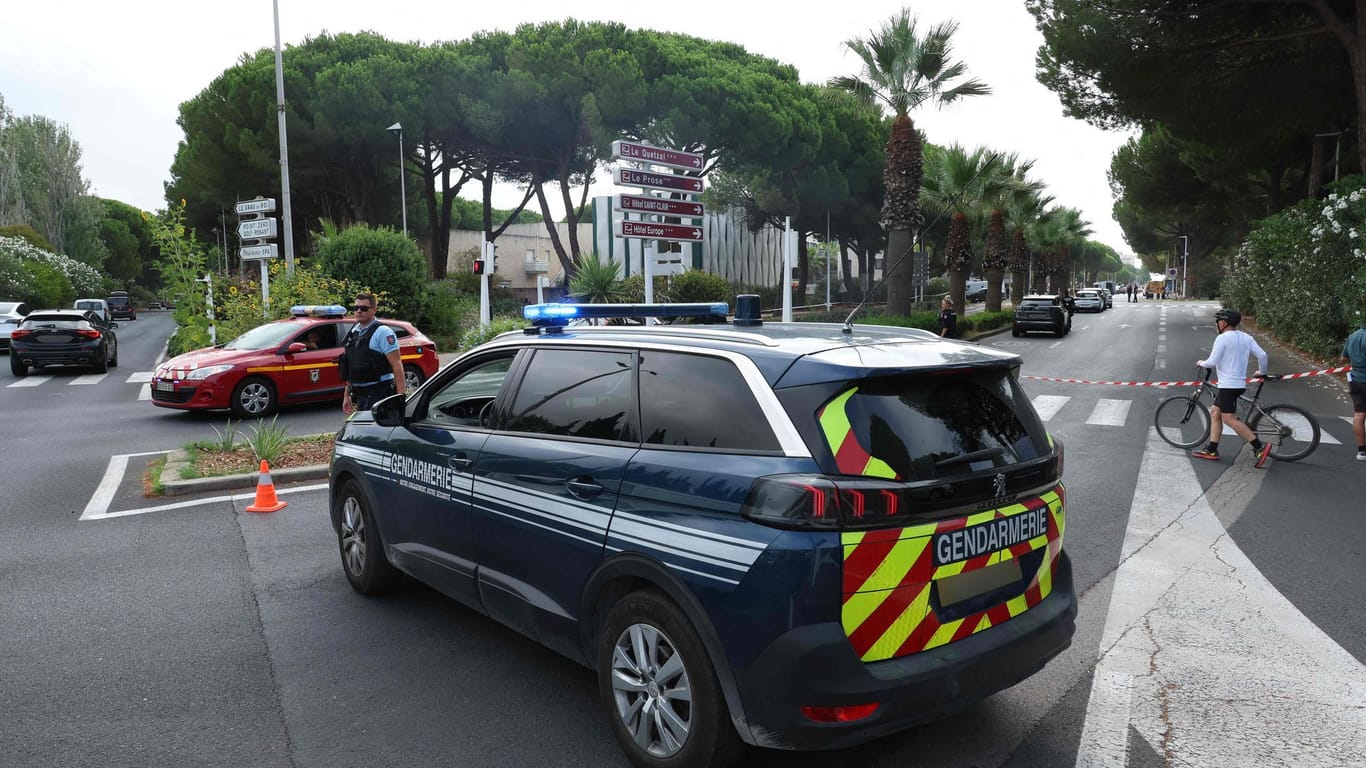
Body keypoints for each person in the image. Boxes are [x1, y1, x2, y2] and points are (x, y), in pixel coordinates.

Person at [1191, 308, 1273, 467]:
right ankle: (1212, 449)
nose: (1217, 324)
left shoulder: (1222, 339)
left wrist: (1201, 362)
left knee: (1228, 418)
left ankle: (1259, 448)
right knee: (1215, 412)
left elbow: (1211, 362)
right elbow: (1263, 355)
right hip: (1237, 384)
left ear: (1223, 323)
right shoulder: (1246, 337)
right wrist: (1262, 373)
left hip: (1229, 385)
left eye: (1218, 322)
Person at [341, 293, 406, 414]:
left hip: (380, 393)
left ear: (374, 310)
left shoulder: (383, 332)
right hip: (361, 395)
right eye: (356, 308)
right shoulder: (354, 332)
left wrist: (400, 398)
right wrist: (347, 394)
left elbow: (397, 365)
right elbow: (352, 366)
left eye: (364, 308)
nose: (359, 311)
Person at [1343, 315, 1366, 461]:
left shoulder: (1352, 336)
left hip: (1355, 380)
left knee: (1359, 414)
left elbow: (1343, 358)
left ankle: (1362, 451)